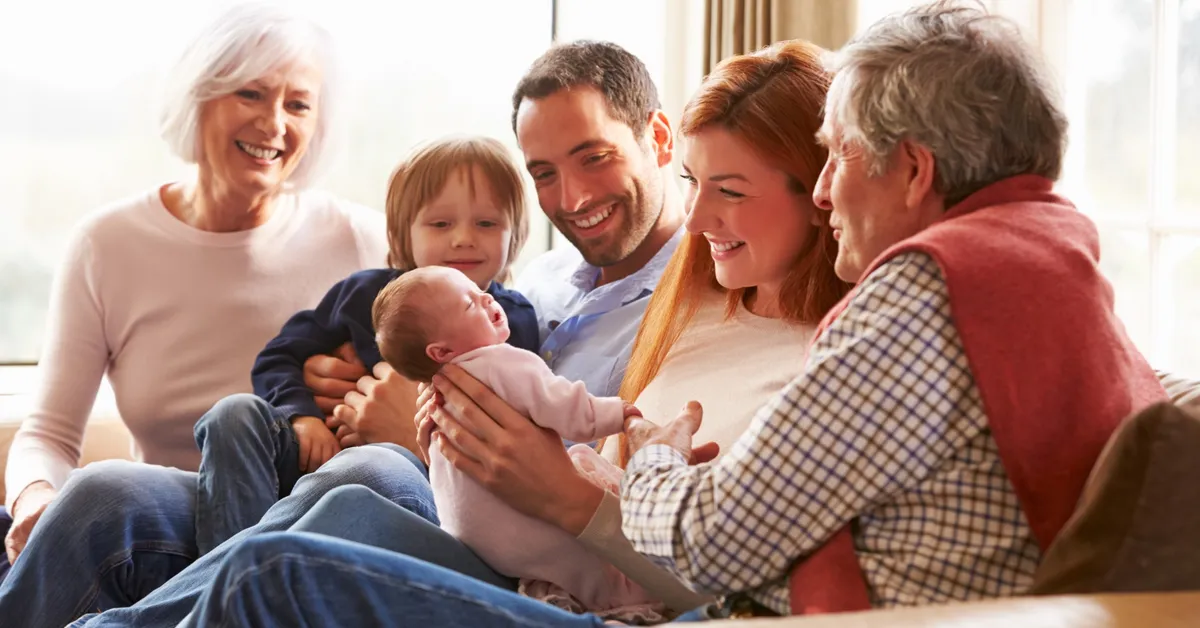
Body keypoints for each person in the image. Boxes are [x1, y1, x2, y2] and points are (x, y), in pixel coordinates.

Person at [131, 38, 854, 627]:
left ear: (823, 191)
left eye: (729, 191)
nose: (697, 221)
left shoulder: (822, 359)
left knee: (350, 495)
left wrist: (435, 446)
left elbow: (726, 577)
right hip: (520, 535)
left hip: (594, 581)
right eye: (699, 188)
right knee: (118, 500)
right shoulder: (643, 298)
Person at [8, 40, 693, 628]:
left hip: (483, 522)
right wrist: (309, 398)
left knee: (363, 475)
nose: (570, 197)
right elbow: (355, 334)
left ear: (660, 140)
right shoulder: (541, 280)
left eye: (594, 157)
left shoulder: (692, 298)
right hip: (335, 477)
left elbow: (591, 467)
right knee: (106, 496)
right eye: (544, 172)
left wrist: (408, 433)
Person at [0, 0, 390, 583]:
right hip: (160, 528)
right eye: (251, 94)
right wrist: (34, 497)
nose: (275, 123)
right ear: (200, 95)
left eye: (298, 104)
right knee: (103, 494)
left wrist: (369, 391)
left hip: (306, 523)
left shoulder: (360, 239)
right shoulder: (107, 244)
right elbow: (50, 434)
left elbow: (429, 382)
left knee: (107, 492)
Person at [191, 136, 540, 554]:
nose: (464, 239)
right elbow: (280, 356)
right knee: (233, 413)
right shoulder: (365, 294)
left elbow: (516, 415)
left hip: (404, 482)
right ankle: (226, 573)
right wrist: (303, 418)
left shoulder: (512, 318)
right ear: (402, 233)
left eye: (487, 224)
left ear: (515, 234)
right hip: (311, 453)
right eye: (441, 224)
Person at [374, 265, 667, 616]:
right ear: (440, 351)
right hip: (526, 526)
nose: (487, 299)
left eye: (480, 292)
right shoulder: (503, 363)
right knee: (584, 562)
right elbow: (569, 410)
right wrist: (618, 413)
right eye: (469, 305)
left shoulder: (437, 392)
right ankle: (619, 600)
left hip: (470, 538)